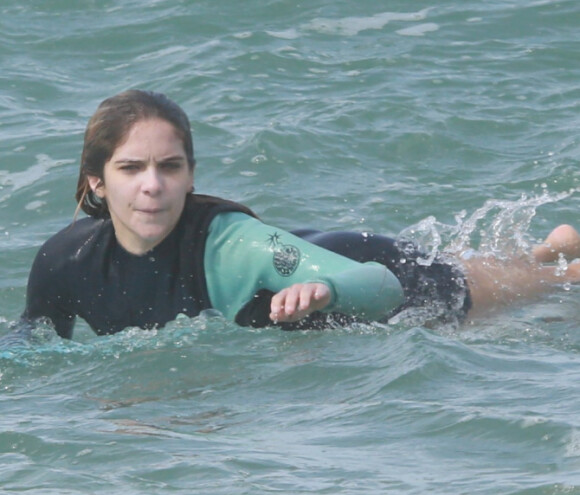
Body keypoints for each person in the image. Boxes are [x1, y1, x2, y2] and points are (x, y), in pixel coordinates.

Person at [14, 90, 580, 340]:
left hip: (359, 266)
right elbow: (30, 343)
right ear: (97, 180)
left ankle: (559, 266)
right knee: (518, 272)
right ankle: (547, 250)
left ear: (191, 173)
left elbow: (375, 286)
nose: (153, 186)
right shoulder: (66, 261)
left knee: (513, 294)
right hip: (311, 250)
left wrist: (327, 295)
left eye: (171, 166)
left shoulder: (233, 245)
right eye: (132, 168)